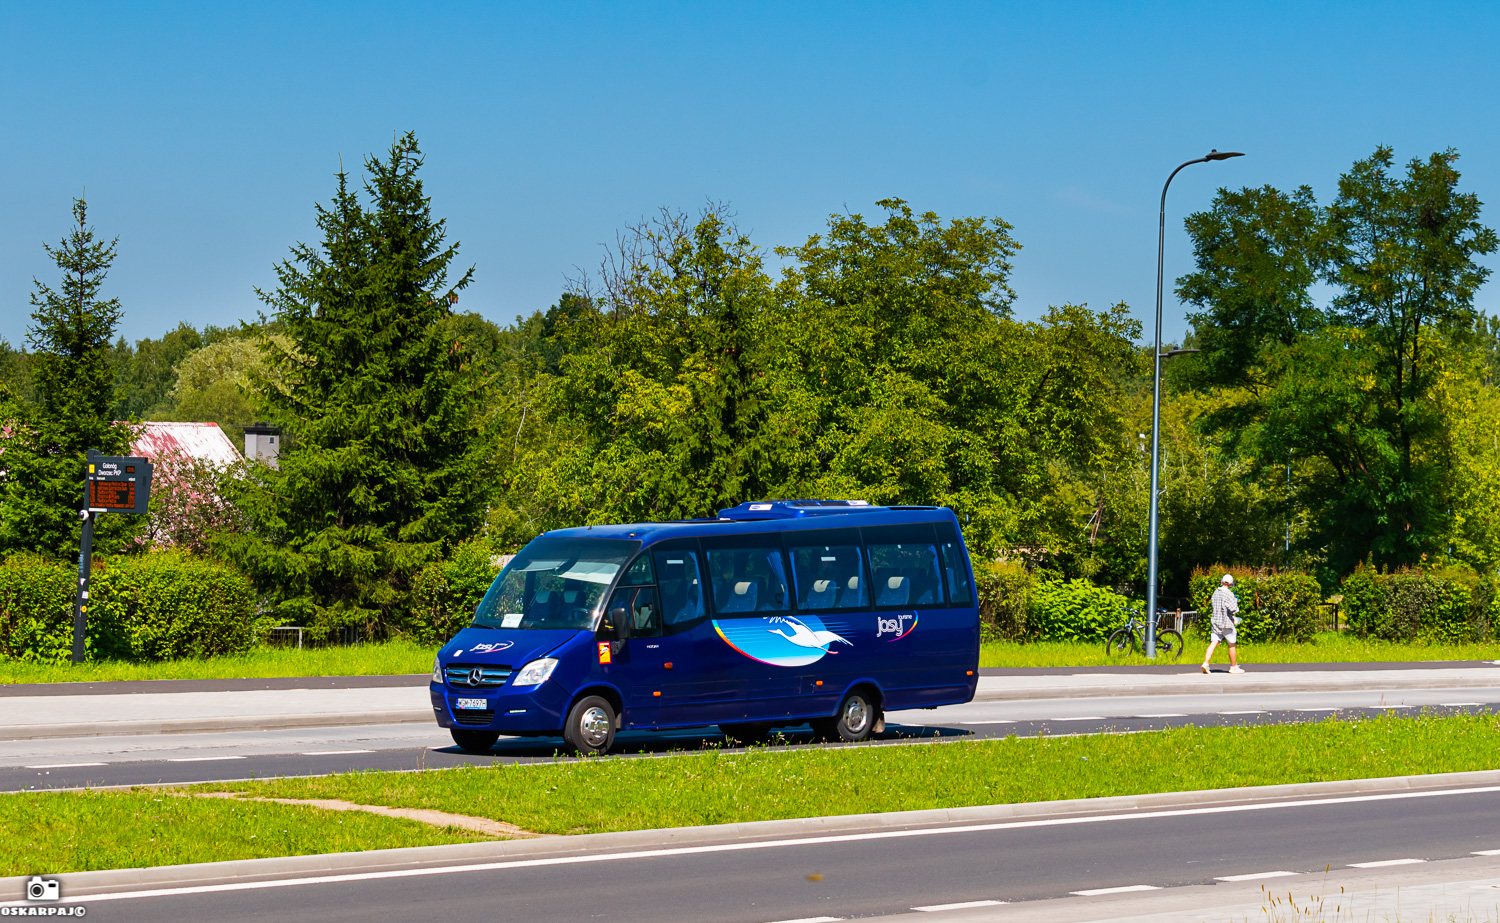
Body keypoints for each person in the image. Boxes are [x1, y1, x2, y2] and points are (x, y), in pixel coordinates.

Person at [1203, 573, 1244, 674]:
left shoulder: (1215, 593)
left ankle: (1205, 663)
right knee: (1231, 645)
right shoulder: (1229, 594)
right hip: (1226, 623)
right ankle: (1233, 667)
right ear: (1231, 583)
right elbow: (1234, 610)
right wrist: (1236, 602)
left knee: (1214, 643)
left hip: (1215, 622)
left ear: (1222, 581)